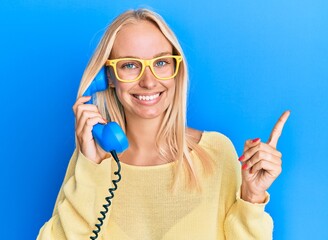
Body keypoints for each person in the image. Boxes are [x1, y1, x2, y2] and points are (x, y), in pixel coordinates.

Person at [37, 8, 290, 240]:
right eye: (129, 65)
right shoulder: (92, 159)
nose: (149, 81)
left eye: (160, 63)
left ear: (176, 69)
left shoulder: (216, 153)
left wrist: (252, 197)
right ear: (108, 77)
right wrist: (92, 168)